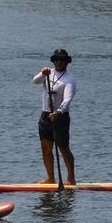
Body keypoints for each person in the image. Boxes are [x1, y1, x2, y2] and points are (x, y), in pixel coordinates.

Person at [32, 49, 77, 185]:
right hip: (46, 115)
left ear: (66, 62)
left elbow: (68, 98)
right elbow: (35, 81)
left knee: (63, 147)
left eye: (62, 60)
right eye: (57, 59)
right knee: (46, 147)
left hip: (60, 116)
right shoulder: (47, 73)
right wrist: (42, 73)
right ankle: (50, 178)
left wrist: (59, 112)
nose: (59, 62)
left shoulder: (69, 79)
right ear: (53, 61)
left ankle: (71, 178)